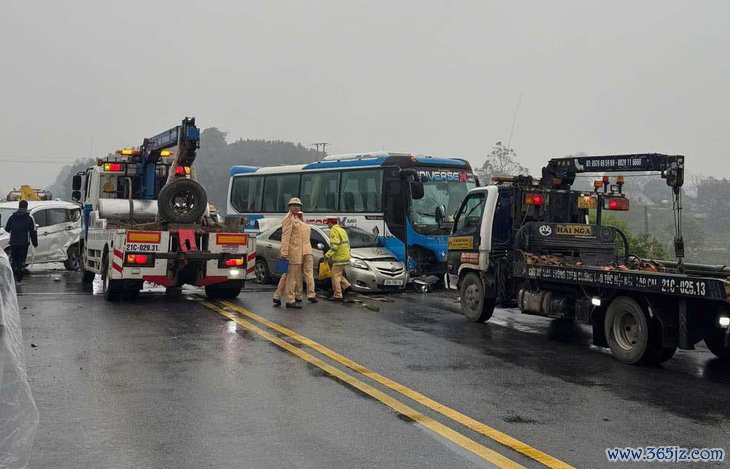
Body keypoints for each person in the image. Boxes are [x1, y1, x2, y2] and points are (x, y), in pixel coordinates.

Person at [273, 197, 304, 309]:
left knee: (287, 276)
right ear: (289, 207)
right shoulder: (289, 218)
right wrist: (284, 252)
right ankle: (290, 300)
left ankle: (277, 296)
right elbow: (285, 236)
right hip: (292, 252)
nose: (296, 207)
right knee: (292, 277)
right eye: (294, 205)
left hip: (296, 251)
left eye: (298, 206)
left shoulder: (296, 218)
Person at [4, 200, 38, 284]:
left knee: (14, 260)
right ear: (26, 207)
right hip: (24, 243)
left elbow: (7, 228)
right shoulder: (30, 217)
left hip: (13, 243)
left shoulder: (12, 216)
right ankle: (19, 279)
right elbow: (33, 231)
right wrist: (35, 243)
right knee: (21, 261)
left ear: (19, 206)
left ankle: (13, 279)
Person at [324, 218, 351, 301]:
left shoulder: (333, 230)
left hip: (339, 256)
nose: (327, 225)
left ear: (330, 223)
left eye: (328, 223)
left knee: (334, 275)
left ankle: (338, 295)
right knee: (338, 273)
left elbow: (335, 246)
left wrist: (327, 255)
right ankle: (347, 286)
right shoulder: (342, 230)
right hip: (345, 256)